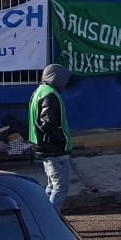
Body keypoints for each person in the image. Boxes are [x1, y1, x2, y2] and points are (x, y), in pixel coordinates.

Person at [29, 63, 73, 213]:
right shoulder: (50, 95)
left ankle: (43, 214)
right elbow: (48, 123)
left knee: (51, 185)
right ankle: (51, 219)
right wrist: (60, 140)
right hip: (54, 150)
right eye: (64, 80)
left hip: (44, 147)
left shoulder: (39, 91)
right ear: (56, 78)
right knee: (60, 187)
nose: (65, 83)